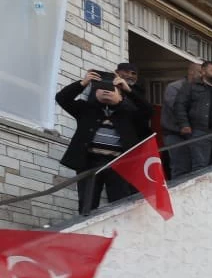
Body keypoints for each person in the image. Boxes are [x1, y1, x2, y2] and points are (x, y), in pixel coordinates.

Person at [57, 66, 151, 212]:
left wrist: (128, 90)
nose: (107, 90)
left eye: (112, 88)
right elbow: (62, 98)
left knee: (120, 203)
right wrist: (83, 83)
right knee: (87, 204)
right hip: (89, 163)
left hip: (119, 164)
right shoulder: (86, 109)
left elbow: (148, 111)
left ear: (120, 95)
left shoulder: (129, 114)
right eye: (101, 88)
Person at [163, 60, 212, 177]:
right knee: (200, 167)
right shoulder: (190, 88)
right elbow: (179, 106)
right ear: (203, 72)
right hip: (201, 132)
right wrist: (184, 124)